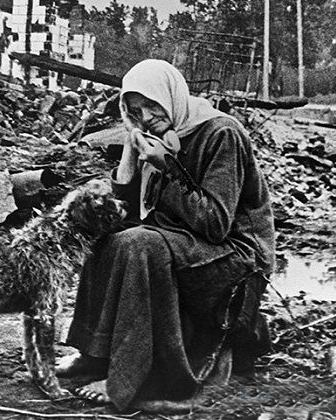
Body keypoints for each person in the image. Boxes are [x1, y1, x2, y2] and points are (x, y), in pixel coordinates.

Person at [57, 59, 275, 411]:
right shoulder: (161, 135)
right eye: (134, 111)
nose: (146, 117)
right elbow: (128, 206)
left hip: (237, 252)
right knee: (107, 235)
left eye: (152, 105)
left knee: (140, 244)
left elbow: (216, 223)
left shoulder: (221, 133)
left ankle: (132, 378)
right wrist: (131, 149)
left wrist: (166, 168)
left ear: (171, 95)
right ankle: (96, 351)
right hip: (188, 238)